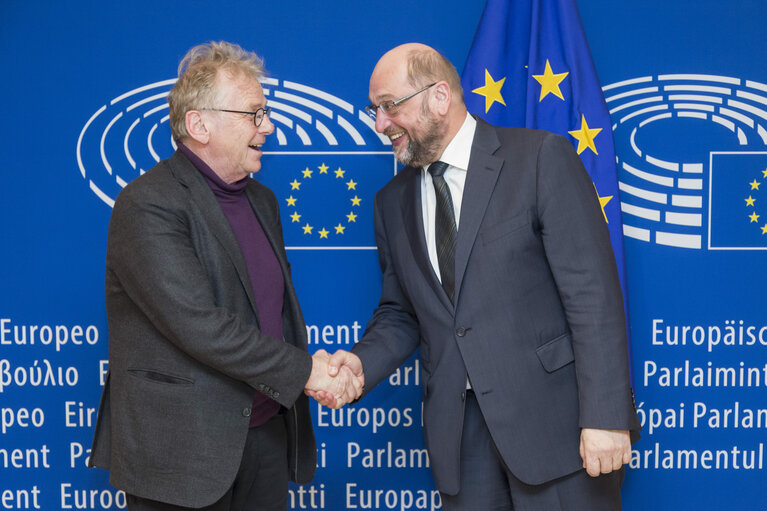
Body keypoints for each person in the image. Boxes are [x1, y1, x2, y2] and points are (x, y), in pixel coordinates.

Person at [310, 43, 640, 510]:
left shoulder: (541, 159)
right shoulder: (391, 203)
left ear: (439, 96)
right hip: (461, 446)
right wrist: (361, 366)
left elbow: (593, 296)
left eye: (389, 106)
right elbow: (402, 313)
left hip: (556, 433)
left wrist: (606, 417)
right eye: (375, 111)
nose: (380, 124)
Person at [88, 41, 361, 511]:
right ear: (199, 125)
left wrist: (315, 370)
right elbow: (198, 323)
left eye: (266, 113)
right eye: (254, 114)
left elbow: (272, 313)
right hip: (182, 456)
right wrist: (308, 372)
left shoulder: (264, 202)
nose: (269, 126)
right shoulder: (147, 203)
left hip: (265, 438)